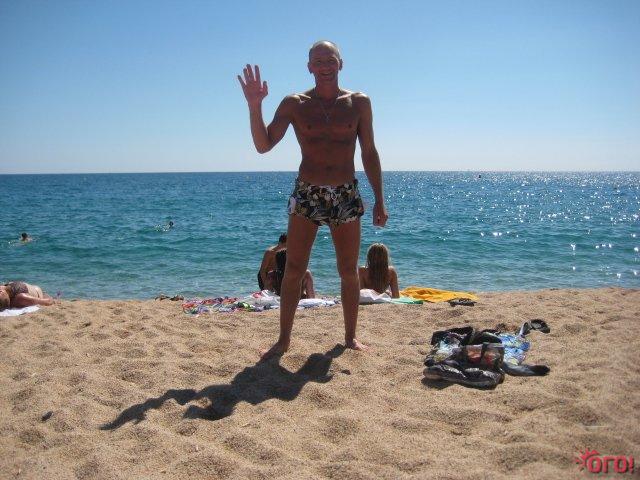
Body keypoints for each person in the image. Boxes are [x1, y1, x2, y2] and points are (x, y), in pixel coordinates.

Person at [238, 40, 388, 358]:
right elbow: (263, 145)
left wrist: (379, 198)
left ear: (340, 63)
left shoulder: (359, 103)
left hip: (345, 192)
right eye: (318, 61)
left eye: (330, 60)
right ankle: (283, 340)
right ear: (309, 67)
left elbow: (369, 151)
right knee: (294, 268)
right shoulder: (295, 103)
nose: (324, 66)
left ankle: (350, 338)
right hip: (308, 192)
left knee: (348, 270)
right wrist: (254, 105)